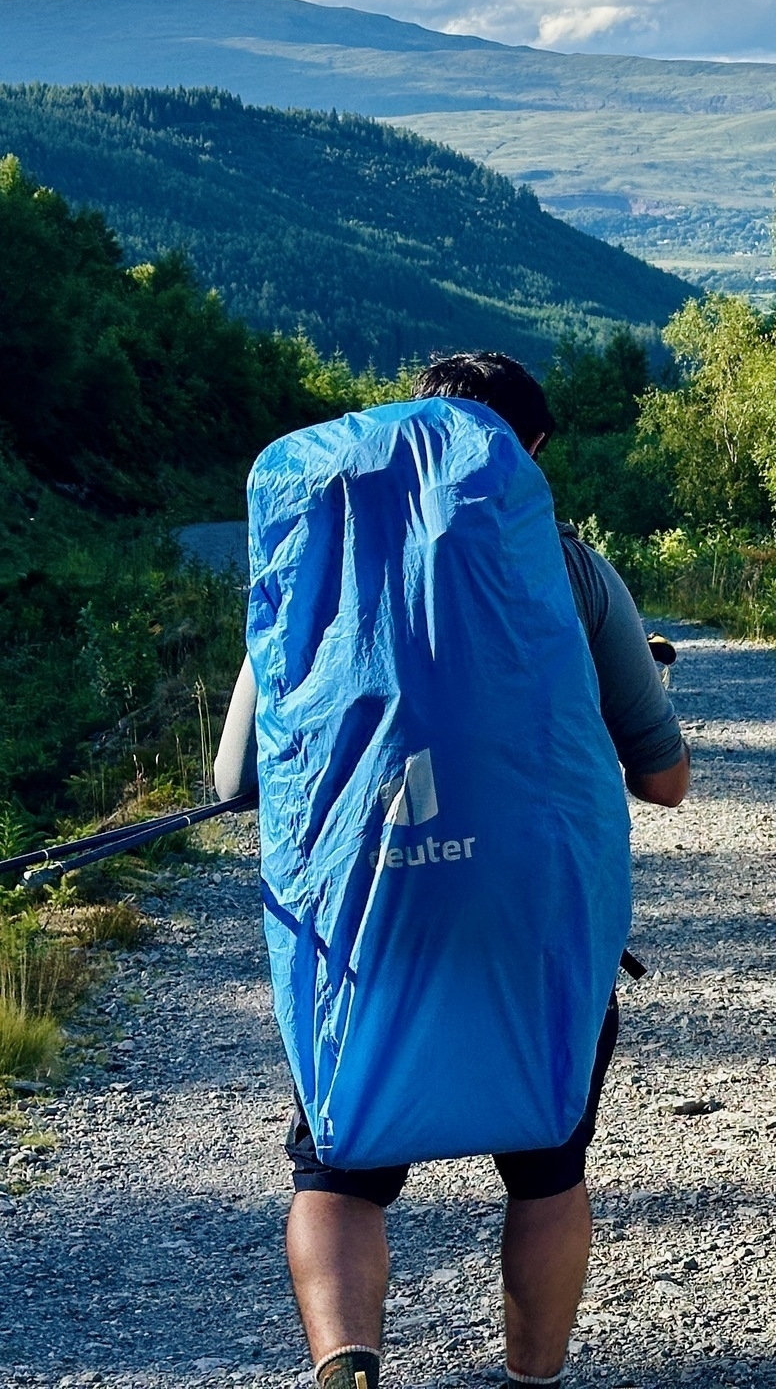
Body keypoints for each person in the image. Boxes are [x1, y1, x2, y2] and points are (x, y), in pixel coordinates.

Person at [216, 351, 689, 1389]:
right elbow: (663, 782)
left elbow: (237, 779)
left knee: (339, 1171)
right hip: (533, 915)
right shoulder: (567, 568)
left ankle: (348, 1364)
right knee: (546, 1169)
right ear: (533, 453)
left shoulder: (321, 557)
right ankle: (532, 1381)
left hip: (366, 904)